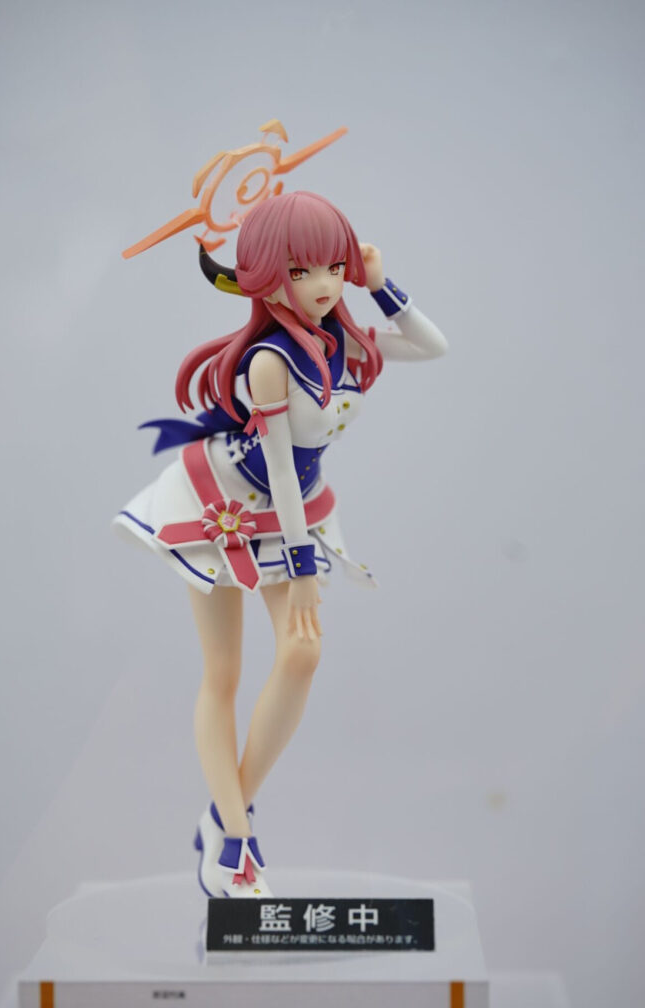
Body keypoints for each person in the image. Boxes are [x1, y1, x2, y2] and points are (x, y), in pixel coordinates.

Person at [114, 191, 448, 897]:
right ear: (267, 278)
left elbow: (431, 345)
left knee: (302, 654)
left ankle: (223, 817)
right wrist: (300, 568)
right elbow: (279, 470)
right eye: (301, 271)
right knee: (224, 673)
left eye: (332, 265)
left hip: (288, 508)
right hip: (224, 503)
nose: (323, 284)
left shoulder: (345, 344)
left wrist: (381, 284)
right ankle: (236, 840)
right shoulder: (269, 362)